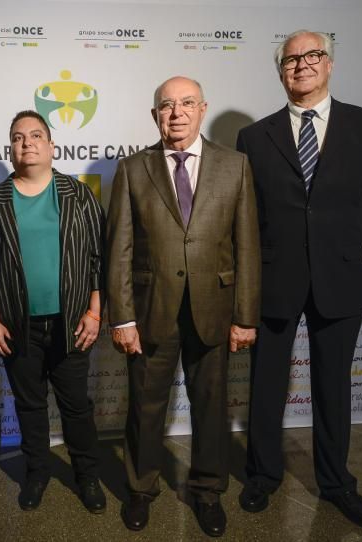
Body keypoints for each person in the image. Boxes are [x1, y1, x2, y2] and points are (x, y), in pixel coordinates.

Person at [236, 30, 362, 530]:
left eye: (312, 55)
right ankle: (263, 475)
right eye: (290, 60)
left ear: (329, 63)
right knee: (267, 385)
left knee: (332, 387)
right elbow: (249, 216)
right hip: (274, 279)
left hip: (339, 277)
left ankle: (336, 482)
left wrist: (331, 249)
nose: (301, 65)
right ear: (281, 72)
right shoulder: (254, 138)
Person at [106, 76, 260, 537]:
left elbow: (247, 246)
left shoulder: (235, 166)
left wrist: (245, 316)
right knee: (145, 409)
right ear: (155, 115)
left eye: (186, 103)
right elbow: (120, 249)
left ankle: (208, 492)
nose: (176, 113)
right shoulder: (134, 169)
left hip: (214, 310)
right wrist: (123, 317)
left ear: (202, 108)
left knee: (211, 410)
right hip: (151, 311)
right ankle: (140, 489)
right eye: (167, 105)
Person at [0, 110, 106, 514]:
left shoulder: (78, 194)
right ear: (10, 148)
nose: (26, 142)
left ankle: (87, 476)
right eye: (17, 137)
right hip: (16, 326)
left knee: (76, 407)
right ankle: (36, 473)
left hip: (72, 324)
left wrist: (96, 312)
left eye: (35, 135)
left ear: (51, 146)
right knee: (29, 407)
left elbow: (98, 257)